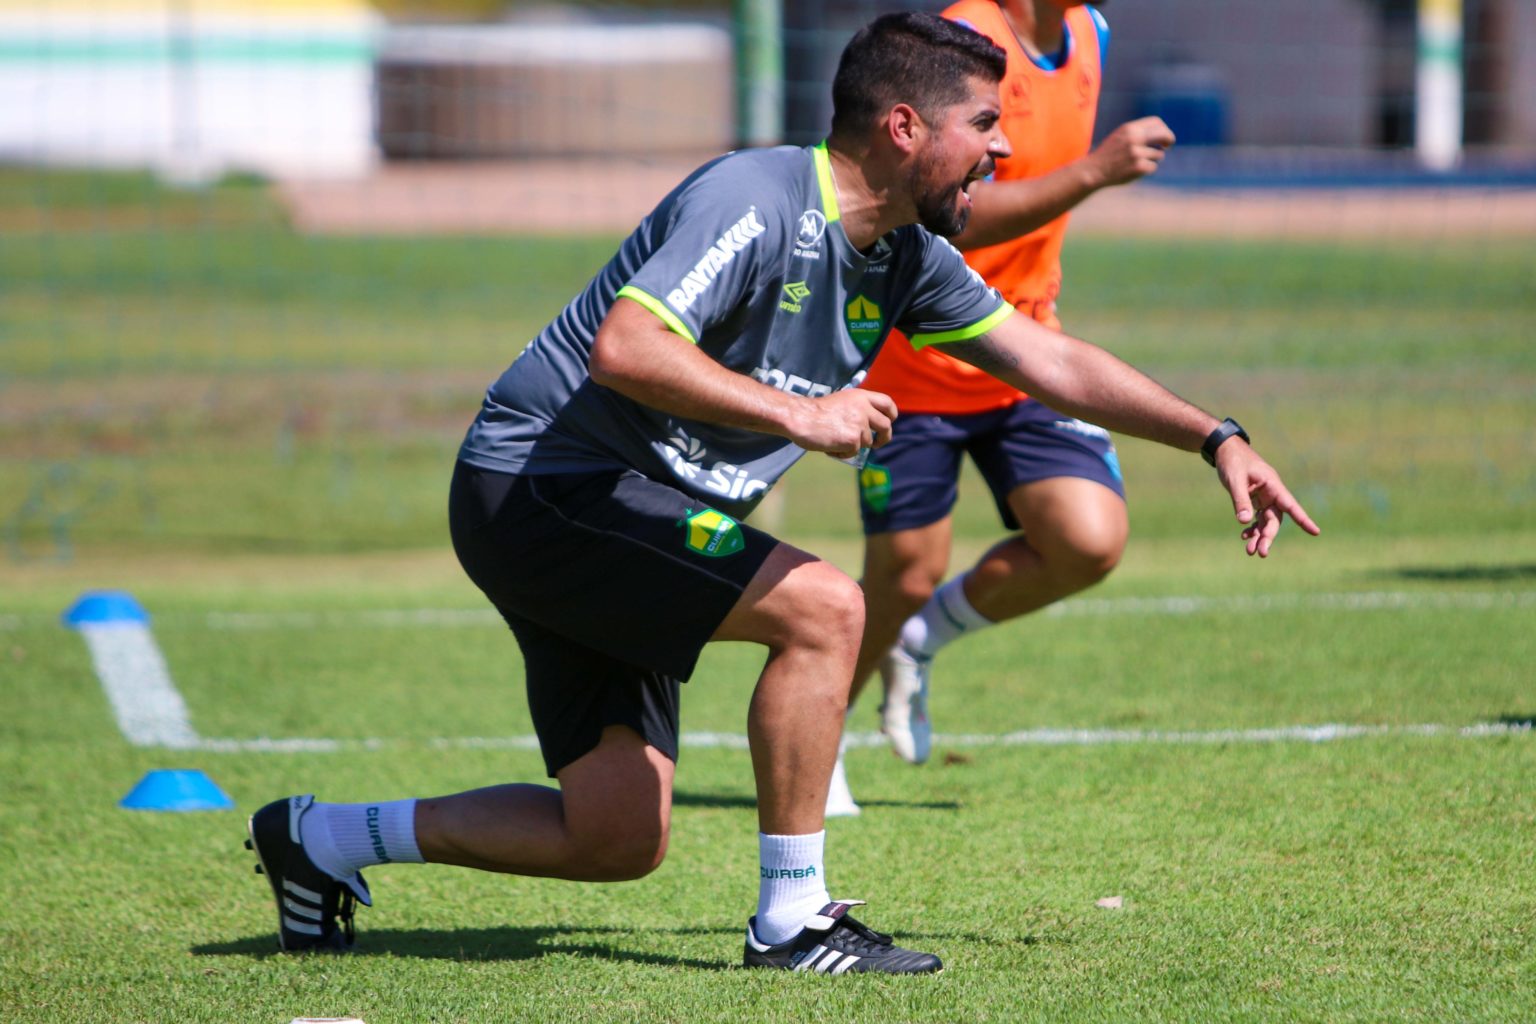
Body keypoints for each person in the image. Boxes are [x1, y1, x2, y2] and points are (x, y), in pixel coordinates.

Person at [244, 12, 1316, 974]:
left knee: (617, 836)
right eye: (985, 124)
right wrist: (800, 413)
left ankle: (320, 837)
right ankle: (794, 922)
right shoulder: (753, 200)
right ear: (903, 127)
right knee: (828, 605)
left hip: (621, 506)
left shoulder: (905, 254)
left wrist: (1214, 436)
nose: (1002, 146)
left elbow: (1052, 366)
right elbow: (626, 345)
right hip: (544, 483)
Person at [826, 0, 1179, 816]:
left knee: (1088, 541)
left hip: (1025, 349)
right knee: (905, 571)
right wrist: (1097, 171)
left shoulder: (1090, 33)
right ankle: (824, 735)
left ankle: (921, 642)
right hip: (914, 363)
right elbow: (958, 220)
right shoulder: (967, 35)